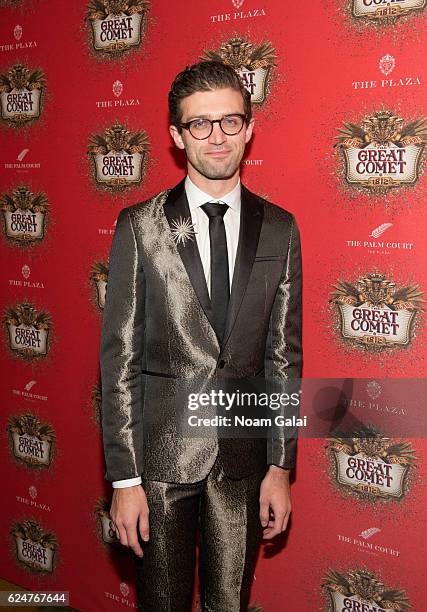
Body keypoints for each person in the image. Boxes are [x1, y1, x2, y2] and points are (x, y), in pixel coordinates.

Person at [100, 60, 302, 612]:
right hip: (160, 466)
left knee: (229, 604)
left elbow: (283, 359)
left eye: (230, 121)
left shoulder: (280, 228)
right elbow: (119, 362)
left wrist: (281, 469)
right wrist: (124, 481)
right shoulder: (141, 227)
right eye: (200, 124)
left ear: (250, 126)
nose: (217, 136)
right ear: (176, 136)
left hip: (243, 460)